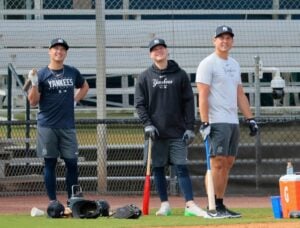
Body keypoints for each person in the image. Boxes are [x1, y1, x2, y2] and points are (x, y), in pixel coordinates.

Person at [135, 38, 209, 217]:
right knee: (158, 168)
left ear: (167, 51)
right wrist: (148, 124)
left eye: (161, 48)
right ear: (150, 54)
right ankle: (164, 204)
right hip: (156, 134)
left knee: (182, 167)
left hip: (178, 132)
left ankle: (190, 204)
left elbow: (189, 102)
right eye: (154, 49)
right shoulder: (144, 77)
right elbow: (139, 104)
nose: (158, 51)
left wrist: (190, 127)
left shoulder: (180, 75)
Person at [196, 25, 258, 218]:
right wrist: (205, 122)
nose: (224, 41)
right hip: (216, 121)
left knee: (228, 162)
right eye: (221, 38)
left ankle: (220, 203)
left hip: (232, 121)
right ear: (214, 40)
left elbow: (240, 94)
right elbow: (203, 96)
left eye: (228, 38)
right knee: (217, 163)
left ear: (232, 41)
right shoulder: (207, 64)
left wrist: (250, 118)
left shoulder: (234, 64)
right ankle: (211, 205)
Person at [28, 38, 89, 205]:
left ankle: (72, 200)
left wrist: (75, 100)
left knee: (72, 163)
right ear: (49, 51)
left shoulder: (72, 72)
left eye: (62, 49)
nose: (59, 52)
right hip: (47, 125)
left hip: (68, 125)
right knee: (50, 163)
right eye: (55, 48)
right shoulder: (42, 74)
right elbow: (33, 102)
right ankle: (53, 201)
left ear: (66, 53)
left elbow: (84, 86)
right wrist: (34, 83)